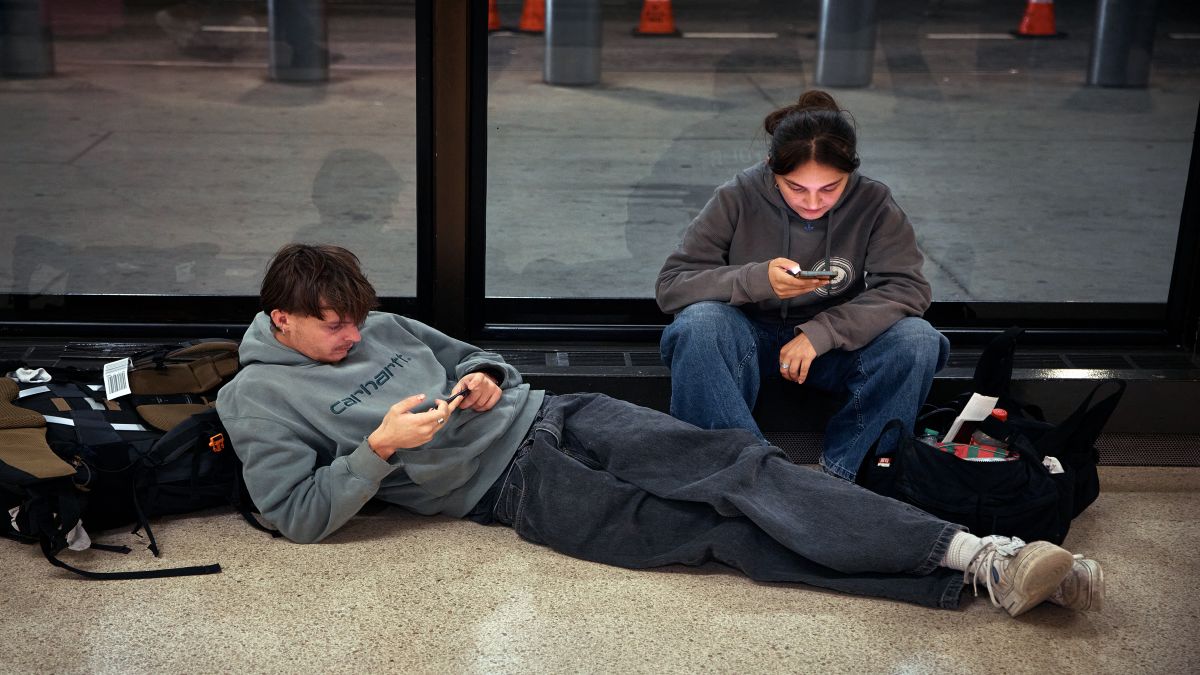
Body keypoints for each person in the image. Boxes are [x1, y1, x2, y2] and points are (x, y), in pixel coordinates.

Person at [215, 243, 1103, 616]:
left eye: (353, 320)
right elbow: (294, 514)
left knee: (743, 468)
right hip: (511, 490)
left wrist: (484, 379)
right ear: (280, 319)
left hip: (556, 416)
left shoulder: (383, 326)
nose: (349, 336)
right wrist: (377, 451)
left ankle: (981, 551)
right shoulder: (255, 399)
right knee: (713, 535)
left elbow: (485, 360)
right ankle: (970, 578)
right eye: (330, 325)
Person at [656, 90, 949, 482]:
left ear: (851, 172)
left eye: (830, 188)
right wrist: (755, 279)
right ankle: (742, 473)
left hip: (831, 348)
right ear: (772, 169)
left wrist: (823, 333)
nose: (813, 204)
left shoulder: (874, 202)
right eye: (796, 188)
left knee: (917, 339)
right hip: (748, 339)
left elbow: (906, 288)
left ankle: (854, 474)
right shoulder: (738, 195)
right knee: (700, 324)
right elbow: (673, 285)